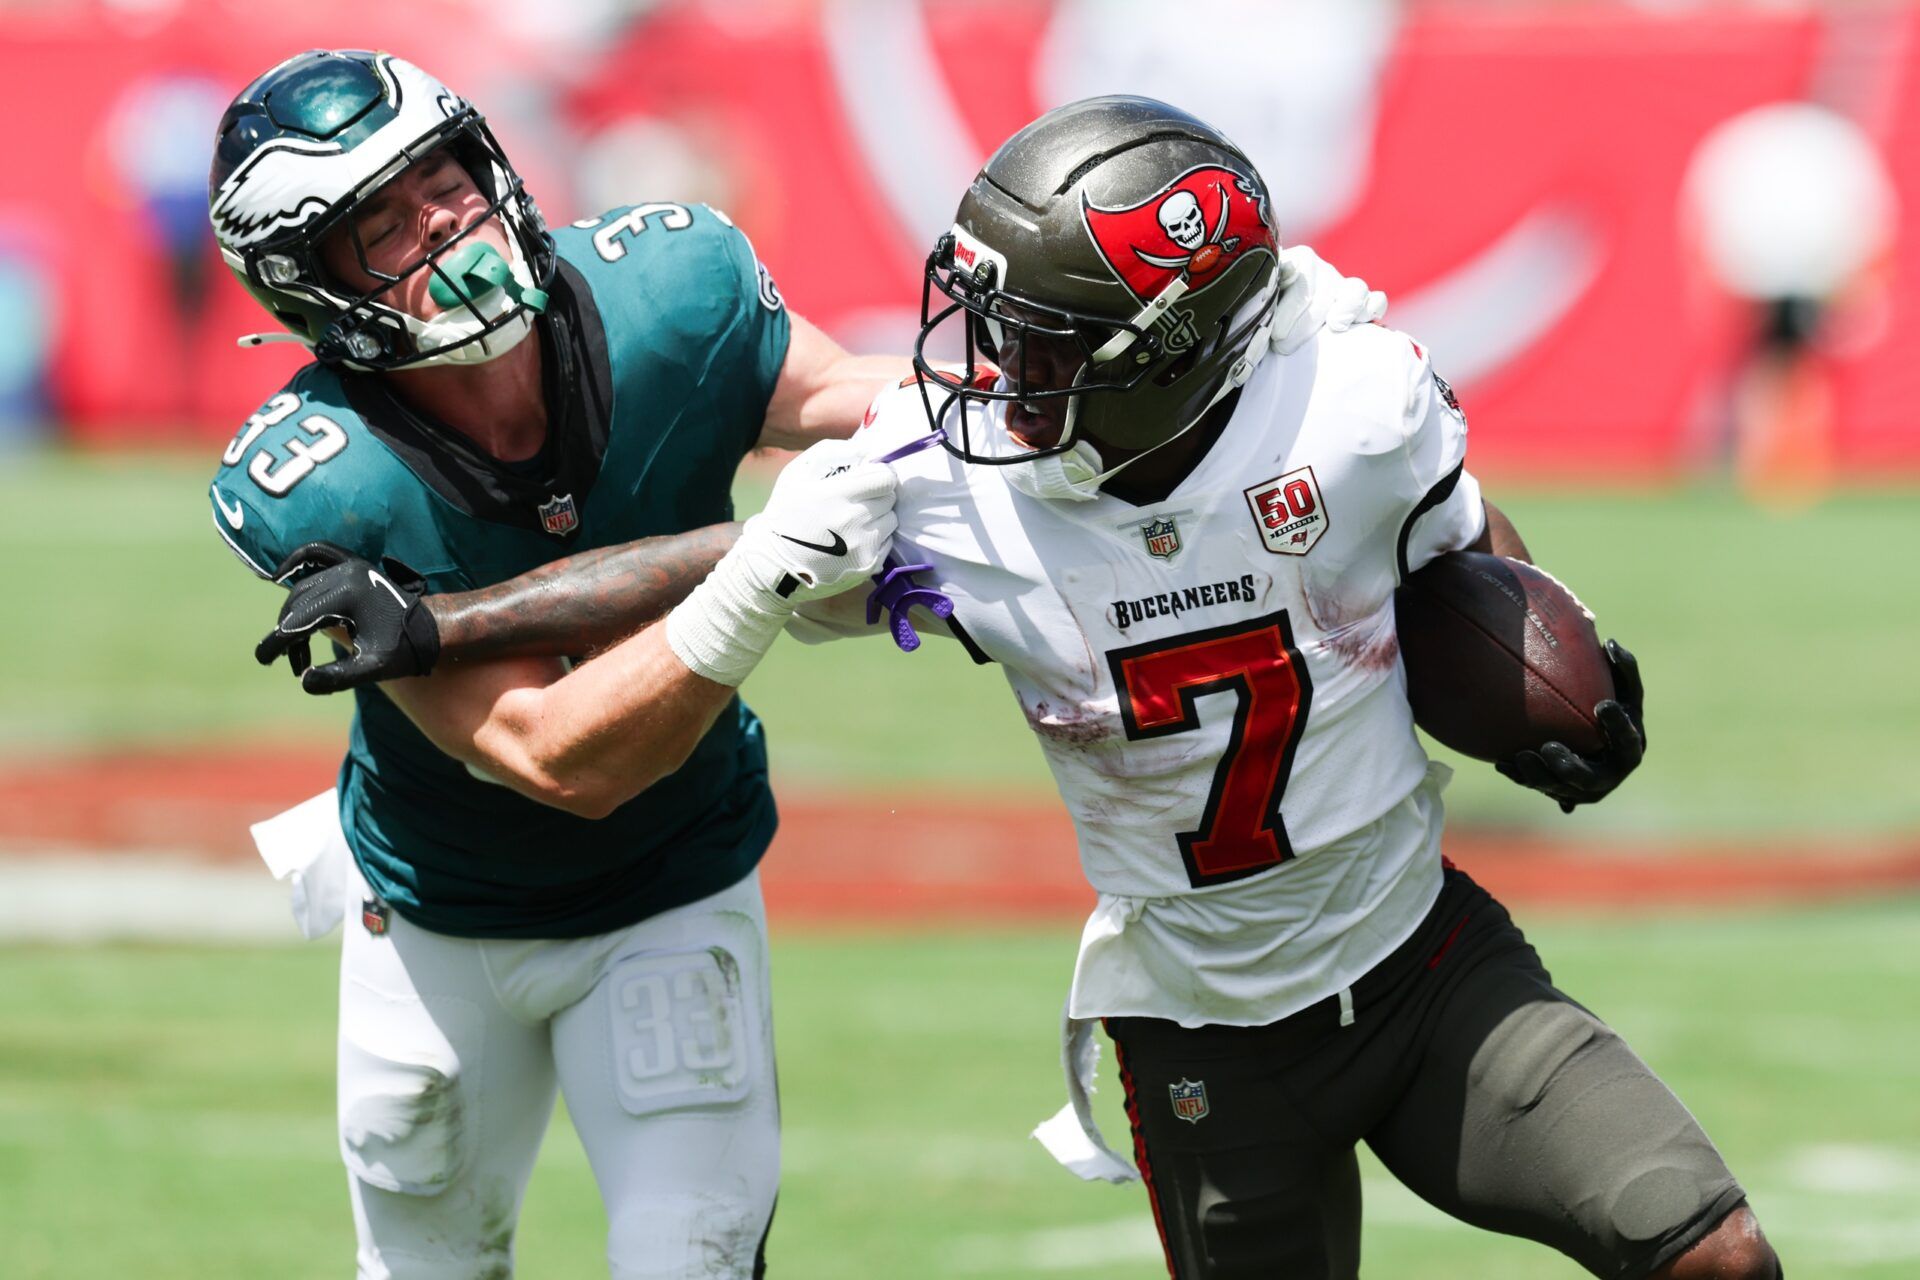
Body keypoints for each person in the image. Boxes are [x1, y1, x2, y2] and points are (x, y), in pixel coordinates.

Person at [258, 92, 1695, 1278]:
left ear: (1160, 356)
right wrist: (442, 626)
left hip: (1417, 957)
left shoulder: (1349, 394)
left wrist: (1554, 676)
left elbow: (1462, 547)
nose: (987, 365)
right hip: (1200, 1015)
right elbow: (713, 568)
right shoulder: (963, 482)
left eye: (1039, 336)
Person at [207, 49, 912, 1279]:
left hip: (673, 880)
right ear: (310, 285)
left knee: (690, 1259)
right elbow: (554, 754)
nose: (444, 221)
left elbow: (864, 398)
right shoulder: (328, 475)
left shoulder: (669, 289)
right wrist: (763, 561)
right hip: (438, 913)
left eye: (444, 180)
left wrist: (1024, 391)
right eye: (382, 223)